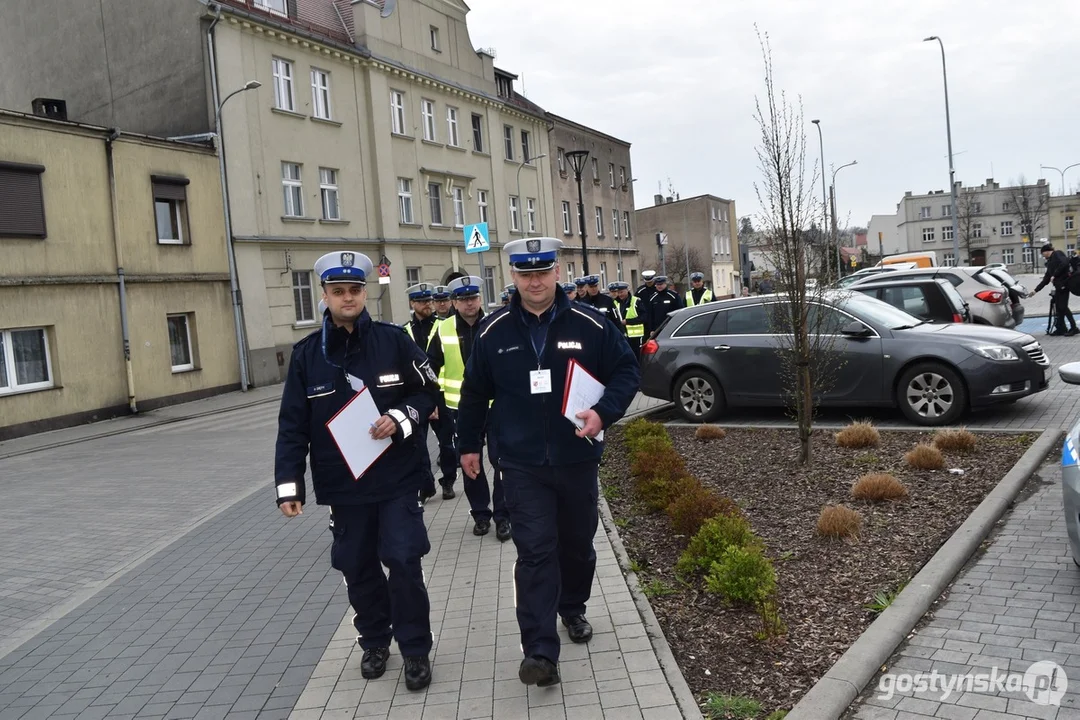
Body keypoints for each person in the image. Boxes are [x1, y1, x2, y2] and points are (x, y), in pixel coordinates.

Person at [456, 237, 640, 687]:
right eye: (525, 274)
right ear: (513, 277)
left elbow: (627, 372)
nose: (535, 281)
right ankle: (539, 651)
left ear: (557, 272)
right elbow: (475, 392)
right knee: (535, 552)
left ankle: (572, 607)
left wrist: (603, 413)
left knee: (576, 545)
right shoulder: (493, 331)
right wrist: (468, 445)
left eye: (542, 272)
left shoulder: (591, 322)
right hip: (520, 463)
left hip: (576, 456)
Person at [275, 251, 439, 691]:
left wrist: (401, 418)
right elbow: (292, 427)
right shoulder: (308, 356)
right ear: (324, 296)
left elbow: (429, 396)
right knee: (357, 565)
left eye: (355, 290)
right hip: (343, 486)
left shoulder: (393, 341)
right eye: (338, 291)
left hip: (396, 478)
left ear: (365, 293)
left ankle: (416, 648)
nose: (348, 298)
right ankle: (374, 641)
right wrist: (289, 487)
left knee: (404, 560)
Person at [425, 276, 510, 541]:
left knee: (503, 462)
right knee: (470, 463)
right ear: (453, 302)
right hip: (460, 410)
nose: (469, 303)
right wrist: (432, 402)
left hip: (498, 407)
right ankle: (481, 514)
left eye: (472, 297)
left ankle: (503, 516)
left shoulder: (497, 325)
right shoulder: (442, 329)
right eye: (462, 299)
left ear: (480, 299)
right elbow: (428, 369)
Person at [403, 283, 443, 502]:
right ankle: (426, 486)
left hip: (443, 393)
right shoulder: (405, 330)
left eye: (428, 301)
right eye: (421, 302)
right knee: (418, 443)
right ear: (413, 304)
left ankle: (447, 479)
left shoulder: (442, 326)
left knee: (446, 442)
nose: (426, 305)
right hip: (417, 395)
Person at [1030, 242, 1078, 336]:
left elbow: (1065, 262)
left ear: (1046, 251)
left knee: (1063, 307)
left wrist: (1055, 275)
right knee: (1060, 308)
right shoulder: (1050, 262)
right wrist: (1035, 290)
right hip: (1058, 287)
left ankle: (1074, 327)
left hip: (1064, 285)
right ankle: (1061, 328)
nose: (1043, 256)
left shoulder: (1057, 254)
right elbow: (1046, 279)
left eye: (1042, 253)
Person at [611, 281, 645, 358]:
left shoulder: (636, 301)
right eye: (618, 292)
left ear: (627, 290)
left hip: (636, 337)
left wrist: (628, 322)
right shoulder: (615, 302)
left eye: (622, 292)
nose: (620, 294)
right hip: (622, 335)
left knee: (636, 357)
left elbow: (644, 317)